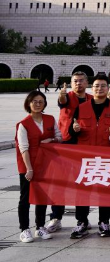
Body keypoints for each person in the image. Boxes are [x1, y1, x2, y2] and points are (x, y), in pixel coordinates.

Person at [64, 74, 110, 239]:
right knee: (83, 191)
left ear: (108, 88)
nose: (99, 89)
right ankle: (81, 222)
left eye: (103, 86)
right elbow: (70, 133)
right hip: (85, 158)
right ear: (92, 87)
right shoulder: (81, 108)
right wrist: (74, 129)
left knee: (105, 190)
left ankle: (104, 222)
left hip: (107, 157)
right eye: (96, 86)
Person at [16, 91, 60, 243]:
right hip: (28, 165)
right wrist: (29, 168)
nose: (38, 104)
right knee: (25, 197)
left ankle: (40, 227)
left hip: (46, 164)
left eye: (41, 101)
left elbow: (59, 137)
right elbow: (23, 148)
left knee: (42, 196)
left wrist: (52, 139)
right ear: (29, 103)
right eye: (34, 101)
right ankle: (24, 229)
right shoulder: (23, 124)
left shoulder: (50, 119)